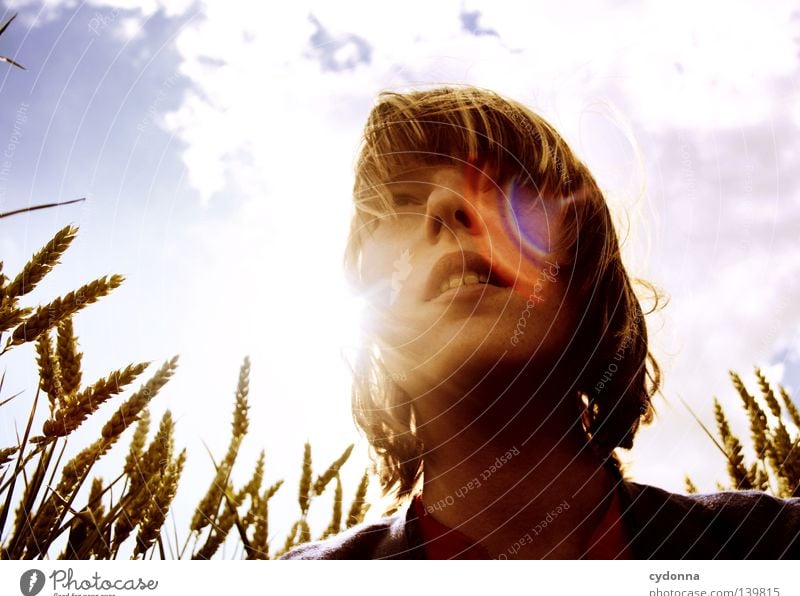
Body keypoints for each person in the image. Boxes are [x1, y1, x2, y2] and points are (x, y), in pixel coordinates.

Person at [282, 85, 800, 559]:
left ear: (586, 274)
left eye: (504, 188)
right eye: (398, 203)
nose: (448, 203)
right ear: (371, 313)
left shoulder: (770, 544)